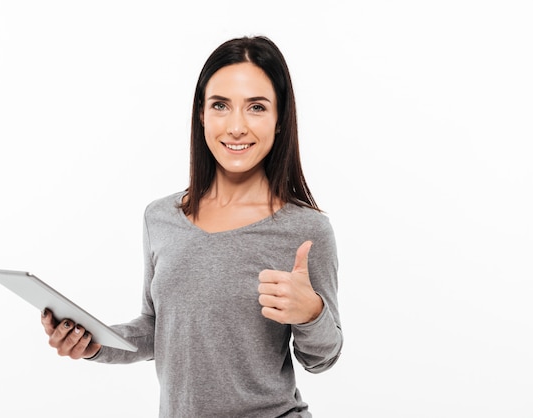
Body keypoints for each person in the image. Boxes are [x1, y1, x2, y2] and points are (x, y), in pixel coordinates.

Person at [41, 35, 343, 417]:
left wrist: (311, 313)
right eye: (221, 105)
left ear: (280, 119)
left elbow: (323, 358)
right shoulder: (160, 217)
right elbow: (156, 330)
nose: (236, 126)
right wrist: (95, 343)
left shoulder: (306, 229)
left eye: (256, 107)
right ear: (201, 113)